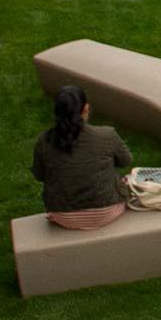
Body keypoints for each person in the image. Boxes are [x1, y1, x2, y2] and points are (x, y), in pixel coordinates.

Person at [30, 86, 133, 230]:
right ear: (86, 108)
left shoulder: (44, 141)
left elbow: (39, 175)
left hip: (62, 216)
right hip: (107, 211)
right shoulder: (107, 135)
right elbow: (126, 160)